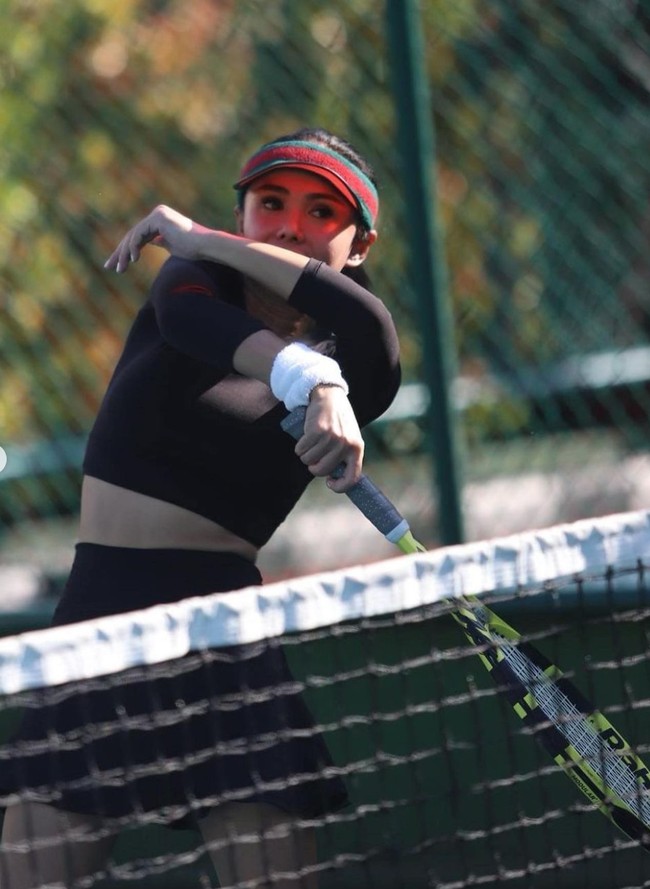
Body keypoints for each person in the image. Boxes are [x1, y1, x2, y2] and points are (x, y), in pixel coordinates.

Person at [0, 127, 401, 889]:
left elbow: (370, 332)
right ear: (239, 216)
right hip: (99, 625)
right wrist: (311, 381)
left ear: (361, 242)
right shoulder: (190, 284)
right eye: (269, 203)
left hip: (222, 638)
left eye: (322, 212)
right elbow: (200, 326)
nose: (288, 224)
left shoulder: (362, 353)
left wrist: (327, 377)